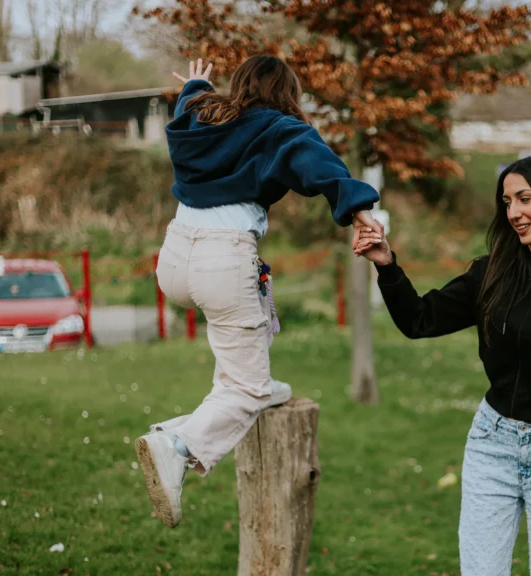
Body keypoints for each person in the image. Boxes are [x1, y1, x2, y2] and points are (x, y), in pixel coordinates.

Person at [135, 55, 384, 529]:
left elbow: (187, 102)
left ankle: (252, 386)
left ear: (240, 85)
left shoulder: (199, 115)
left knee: (243, 348)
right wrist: (357, 209)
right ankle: (178, 443)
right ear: (287, 93)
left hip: (173, 259)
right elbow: (321, 167)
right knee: (247, 390)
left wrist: (196, 82)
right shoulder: (279, 127)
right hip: (222, 259)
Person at [353, 154, 531, 575]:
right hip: (491, 443)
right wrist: (387, 265)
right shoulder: (492, 275)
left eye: (524, 199)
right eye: (506, 202)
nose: (514, 212)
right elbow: (419, 320)